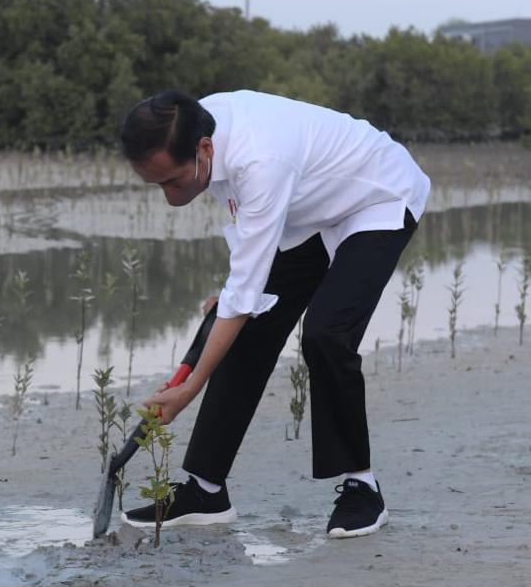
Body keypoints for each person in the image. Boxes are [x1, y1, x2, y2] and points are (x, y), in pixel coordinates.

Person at [118, 89, 431, 539]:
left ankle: (362, 487)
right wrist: (231, 297)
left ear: (205, 149)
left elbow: (245, 287)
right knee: (245, 325)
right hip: (309, 208)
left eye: (174, 181)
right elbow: (246, 259)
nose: (169, 195)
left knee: (326, 333)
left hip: (376, 196)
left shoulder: (260, 159)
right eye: (157, 183)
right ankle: (206, 491)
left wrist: (188, 388)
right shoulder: (191, 124)